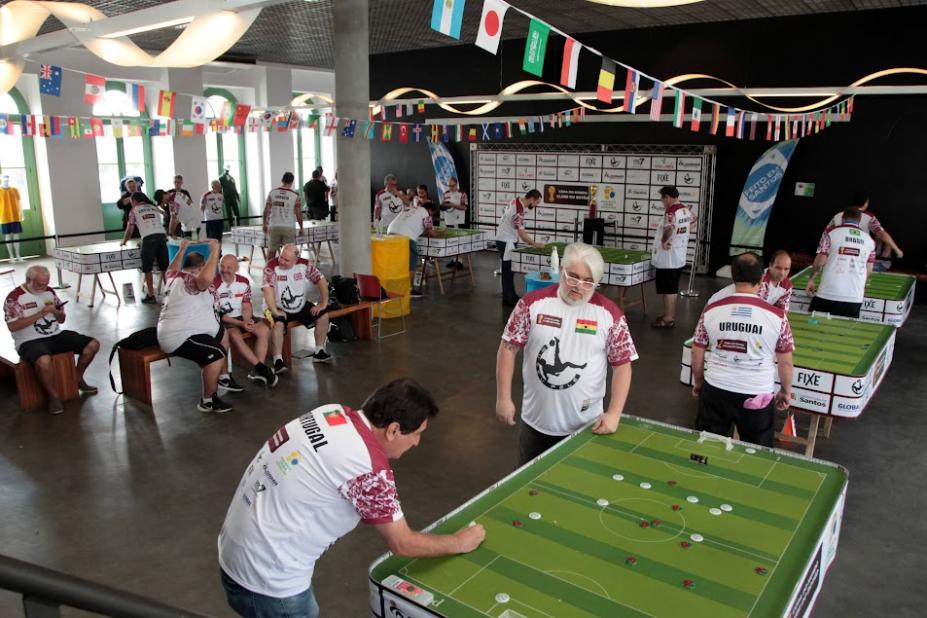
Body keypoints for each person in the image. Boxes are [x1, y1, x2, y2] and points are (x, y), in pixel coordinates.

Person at [217, 378, 486, 618]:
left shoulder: (331, 412)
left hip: (234, 551)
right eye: (416, 434)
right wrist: (458, 542)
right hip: (267, 582)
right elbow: (402, 543)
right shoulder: (366, 467)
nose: (416, 443)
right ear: (393, 430)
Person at [495, 243, 638, 466]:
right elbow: (507, 348)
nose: (578, 286)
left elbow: (623, 366)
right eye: (572, 276)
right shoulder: (531, 305)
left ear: (596, 283)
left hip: (587, 426)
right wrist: (503, 398)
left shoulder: (610, 315)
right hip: (535, 424)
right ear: (561, 270)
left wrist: (614, 414)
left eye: (588, 281)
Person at [690, 252, 794, 447]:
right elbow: (786, 362)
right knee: (757, 455)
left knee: (707, 448)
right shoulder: (777, 317)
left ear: (733, 275)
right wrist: (785, 392)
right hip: (758, 393)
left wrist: (699, 382)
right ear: (762, 276)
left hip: (716, 389)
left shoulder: (712, 308)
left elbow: (697, 350)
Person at [4, 265, 100, 414]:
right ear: (28, 280)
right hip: (28, 340)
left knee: (92, 345)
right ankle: (53, 396)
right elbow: (13, 326)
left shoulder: (49, 292)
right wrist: (40, 314)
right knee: (44, 361)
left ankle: (77, 378)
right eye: (39, 284)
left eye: (46, 283)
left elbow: (61, 319)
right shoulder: (15, 298)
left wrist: (55, 311)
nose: (43, 287)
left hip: (55, 334)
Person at [157, 239, 235, 413]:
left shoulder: (173, 276)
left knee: (222, 334)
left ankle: (224, 377)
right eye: (202, 269)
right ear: (197, 270)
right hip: (178, 336)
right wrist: (215, 251)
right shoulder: (189, 281)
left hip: (185, 328)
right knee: (216, 354)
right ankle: (208, 400)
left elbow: (172, 268)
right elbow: (206, 279)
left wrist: (182, 250)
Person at [262, 243, 332, 372]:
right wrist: (274, 310)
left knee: (324, 315)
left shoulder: (304, 264)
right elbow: (267, 290)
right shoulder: (271, 266)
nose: (281, 261)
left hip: (298, 303)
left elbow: (321, 280)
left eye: (286, 260)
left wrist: (323, 303)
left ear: (295, 260)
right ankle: (277, 360)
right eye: (281, 257)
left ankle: (319, 351)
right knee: (278, 324)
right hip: (275, 304)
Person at [215, 254, 278, 389]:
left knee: (263, 329)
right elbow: (219, 315)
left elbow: (246, 305)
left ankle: (257, 371)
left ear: (237, 268)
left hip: (242, 317)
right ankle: (261, 368)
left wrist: (247, 321)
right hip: (226, 320)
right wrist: (240, 324)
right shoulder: (214, 284)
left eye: (229, 267)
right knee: (234, 335)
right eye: (222, 266)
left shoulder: (243, 281)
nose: (225, 270)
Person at [805, 207, 875, 319]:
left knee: (815, 326)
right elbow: (869, 269)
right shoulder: (869, 240)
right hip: (854, 297)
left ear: (842, 217)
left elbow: (820, 260)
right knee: (844, 334)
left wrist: (811, 279)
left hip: (828, 293)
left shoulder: (831, 232)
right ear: (860, 220)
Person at [650, 185, 693, 329]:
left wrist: (664, 241)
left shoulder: (671, 211)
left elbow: (669, 228)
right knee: (673, 289)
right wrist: (680, 237)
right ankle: (670, 316)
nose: (663, 202)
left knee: (668, 290)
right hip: (679, 255)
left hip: (668, 258)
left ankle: (667, 319)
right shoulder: (685, 209)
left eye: (663, 199)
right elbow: (693, 222)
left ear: (667, 197)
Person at [495, 189, 544, 308]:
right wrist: (535, 243)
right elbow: (522, 234)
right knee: (507, 270)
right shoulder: (518, 210)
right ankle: (508, 298)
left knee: (510, 270)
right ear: (532, 199)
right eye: (537, 202)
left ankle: (511, 295)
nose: (536, 205)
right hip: (507, 241)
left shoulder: (515, 200)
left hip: (505, 239)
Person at [827, 192, 902, 269]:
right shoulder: (869, 217)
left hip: (838, 256)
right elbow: (881, 234)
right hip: (857, 258)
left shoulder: (837, 216)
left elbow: (826, 235)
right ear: (866, 203)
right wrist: (897, 250)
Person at [120, 191, 168, 304]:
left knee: (147, 269)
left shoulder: (134, 211)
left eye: (131, 201)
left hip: (148, 239)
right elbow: (164, 214)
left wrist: (124, 241)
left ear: (135, 201)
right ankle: (169, 293)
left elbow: (129, 229)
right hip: (161, 237)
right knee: (164, 268)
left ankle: (151, 295)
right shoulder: (153, 207)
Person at [387, 193, 438, 298]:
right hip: (406, 236)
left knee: (396, 262)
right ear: (430, 211)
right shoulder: (425, 213)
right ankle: (409, 290)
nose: (431, 217)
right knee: (412, 263)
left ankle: (394, 287)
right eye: (432, 214)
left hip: (390, 232)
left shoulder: (410, 208)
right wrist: (440, 233)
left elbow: (414, 225)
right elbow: (431, 232)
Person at [706, 250, 793, 311]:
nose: (782, 273)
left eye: (786, 269)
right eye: (778, 268)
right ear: (770, 266)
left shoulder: (787, 286)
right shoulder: (761, 282)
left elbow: (781, 313)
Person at [263, 172, 303, 257]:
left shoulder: (272, 193)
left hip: (274, 225)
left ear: (282, 180)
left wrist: (264, 224)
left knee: (271, 251)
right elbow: (298, 213)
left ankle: (269, 269)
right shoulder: (295, 196)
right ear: (292, 182)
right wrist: (301, 227)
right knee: (288, 252)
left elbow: (266, 210)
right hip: (288, 227)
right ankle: (287, 269)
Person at [441, 176, 468, 270]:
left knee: (458, 241)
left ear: (456, 184)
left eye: (452, 185)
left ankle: (459, 261)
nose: (450, 188)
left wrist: (453, 205)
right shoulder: (446, 193)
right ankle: (453, 259)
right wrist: (444, 205)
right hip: (448, 220)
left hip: (458, 220)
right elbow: (442, 205)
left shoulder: (462, 193)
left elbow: (464, 207)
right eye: (449, 185)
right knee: (451, 241)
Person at [167, 175, 199, 239]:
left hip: (185, 221)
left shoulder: (184, 193)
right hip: (175, 219)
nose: (176, 184)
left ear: (182, 183)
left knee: (184, 240)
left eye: (178, 182)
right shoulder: (170, 192)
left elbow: (190, 204)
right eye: (175, 182)